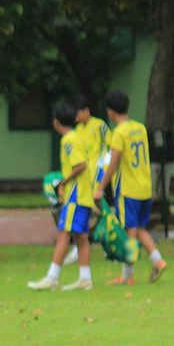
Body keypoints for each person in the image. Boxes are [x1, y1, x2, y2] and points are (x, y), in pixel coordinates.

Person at [93, 89, 168, 284]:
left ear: (110, 111)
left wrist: (101, 187)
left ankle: (128, 276)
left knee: (130, 231)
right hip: (145, 187)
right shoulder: (140, 127)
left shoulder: (119, 133)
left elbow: (114, 163)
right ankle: (157, 261)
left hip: (128, 189)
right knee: (138, 229)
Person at [28, 102, 93, 291]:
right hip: (83, 195)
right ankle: (85, 279)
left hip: (76, 195)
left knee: (64, 234)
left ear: (56, 122)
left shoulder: (68, 140)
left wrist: (64, 181)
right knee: (81, 238)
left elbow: (80, 165)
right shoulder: (77, 136)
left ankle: (52, 277)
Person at [64, 95, 110, 264]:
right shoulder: (77, 131)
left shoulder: (99, 126)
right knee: (86, 215)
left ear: (86, 111)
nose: (76, 118)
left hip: (97, 178)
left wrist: (103, 172)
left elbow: (110, 148)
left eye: (78, 114)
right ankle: (80, 248)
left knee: (99, 214)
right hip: (83, 180)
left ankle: (109, 245)